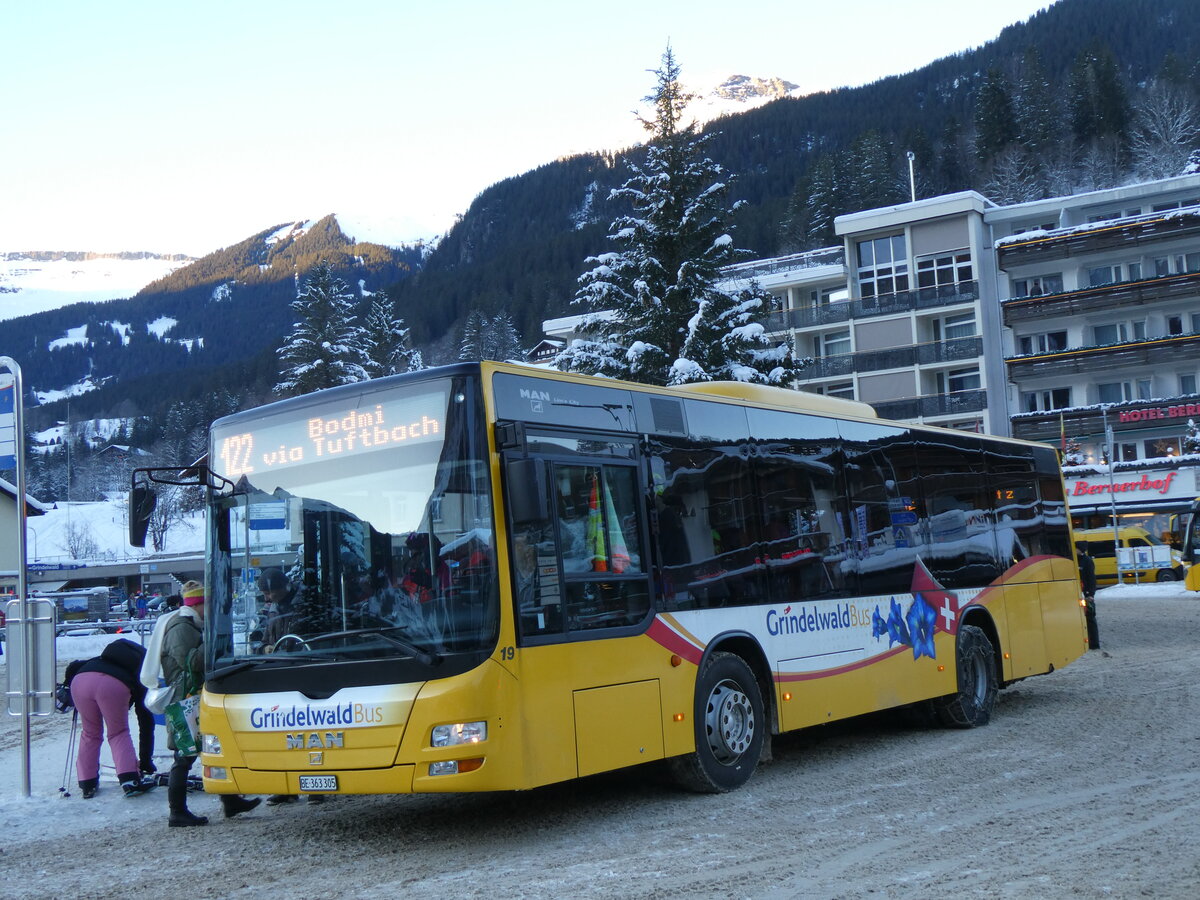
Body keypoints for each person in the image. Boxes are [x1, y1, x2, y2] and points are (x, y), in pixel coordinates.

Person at [161, 580, 261, 826]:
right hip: (183, 701)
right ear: (198, 605)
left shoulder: (191, 625)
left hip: (194, 698)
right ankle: (177, 811)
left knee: (212, 748)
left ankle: (230, 802)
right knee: (183, 756)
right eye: (207, 604)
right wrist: (213, 639)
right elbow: (192, 662)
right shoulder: (181, 627)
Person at [70, 638, 157, 799]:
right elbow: (145, 721)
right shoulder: (140, 673)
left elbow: (73, 667)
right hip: (113, 686)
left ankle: (86, 783)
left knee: (90, 733)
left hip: (80, 680)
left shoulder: (98, 660)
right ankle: (129, 780)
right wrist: (146, 761)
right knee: (118, 732)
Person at [259, 568, 298, 652]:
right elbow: (264, 641)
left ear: (282, 588)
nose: (266, 599)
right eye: (264, 594)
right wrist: (264, 649)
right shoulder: (273, 610)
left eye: (268, 593)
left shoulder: (302, 608)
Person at [1076, 542, 1100, 650]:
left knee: (1090, 618)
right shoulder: (1074, 560)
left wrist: (1090, 594)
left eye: (1076, 548)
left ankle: (1094, 644)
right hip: (1078, 593)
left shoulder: (1087, 561)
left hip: (1086, 595)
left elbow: (1091, 579)